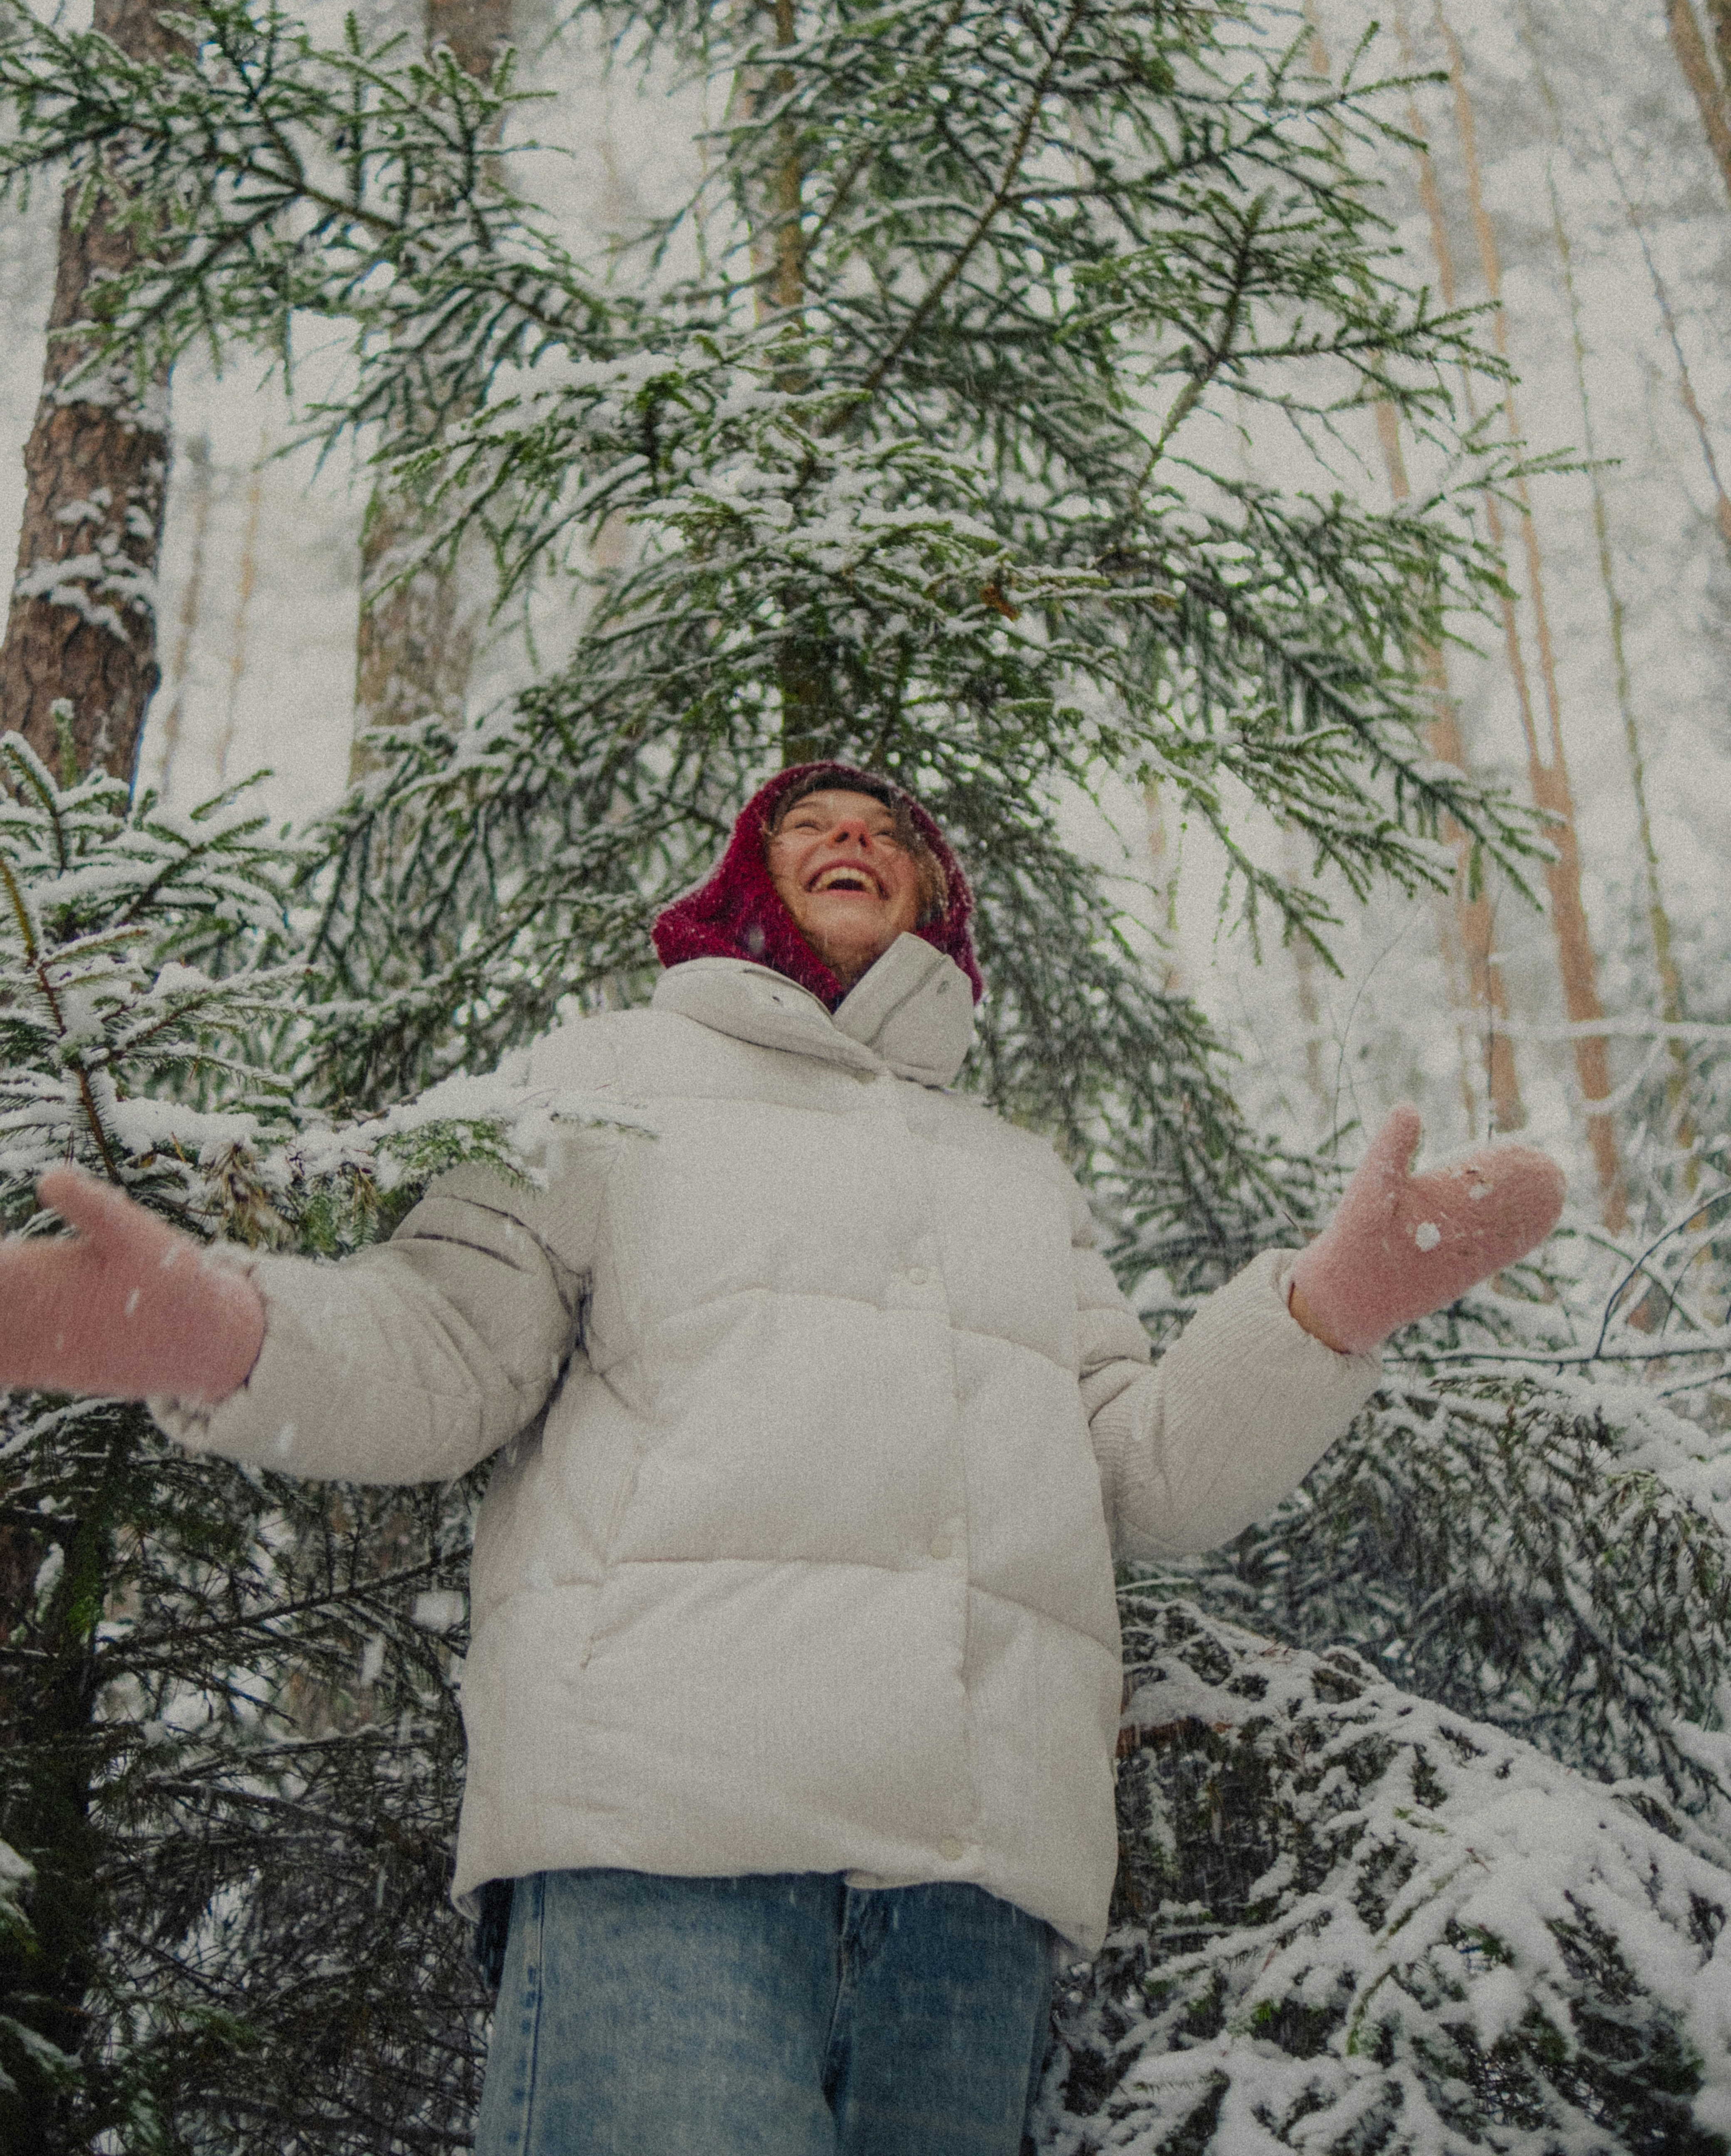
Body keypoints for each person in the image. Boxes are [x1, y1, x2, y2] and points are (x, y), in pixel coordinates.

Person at [0, 762, 1565, 2156]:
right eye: (808, 824)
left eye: (889, 834)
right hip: (664, 1838)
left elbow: (1132, 1480)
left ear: (937, 905)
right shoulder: (605, 1075)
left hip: (969, 1892)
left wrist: (1321, 1314)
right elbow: (448, 1355)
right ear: (744, 879)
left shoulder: (1017, 1175)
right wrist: (221, 1331)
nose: (851, 840)